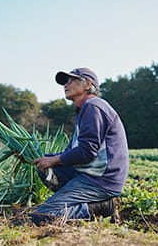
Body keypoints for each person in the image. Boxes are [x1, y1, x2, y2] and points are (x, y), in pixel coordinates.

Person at [31, 67, 129, 225]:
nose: (65, 85)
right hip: (89, 174)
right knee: (46, 165)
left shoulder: (93, 107)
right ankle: (72, 200)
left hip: (101, 180)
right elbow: (71, 152)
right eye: (65, 82)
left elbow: (87, 152)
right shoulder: (83, 110)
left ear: (88, 84)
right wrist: (47, 159)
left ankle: (103, 206)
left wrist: (54, 160)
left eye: (71, 80)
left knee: (43, 215)